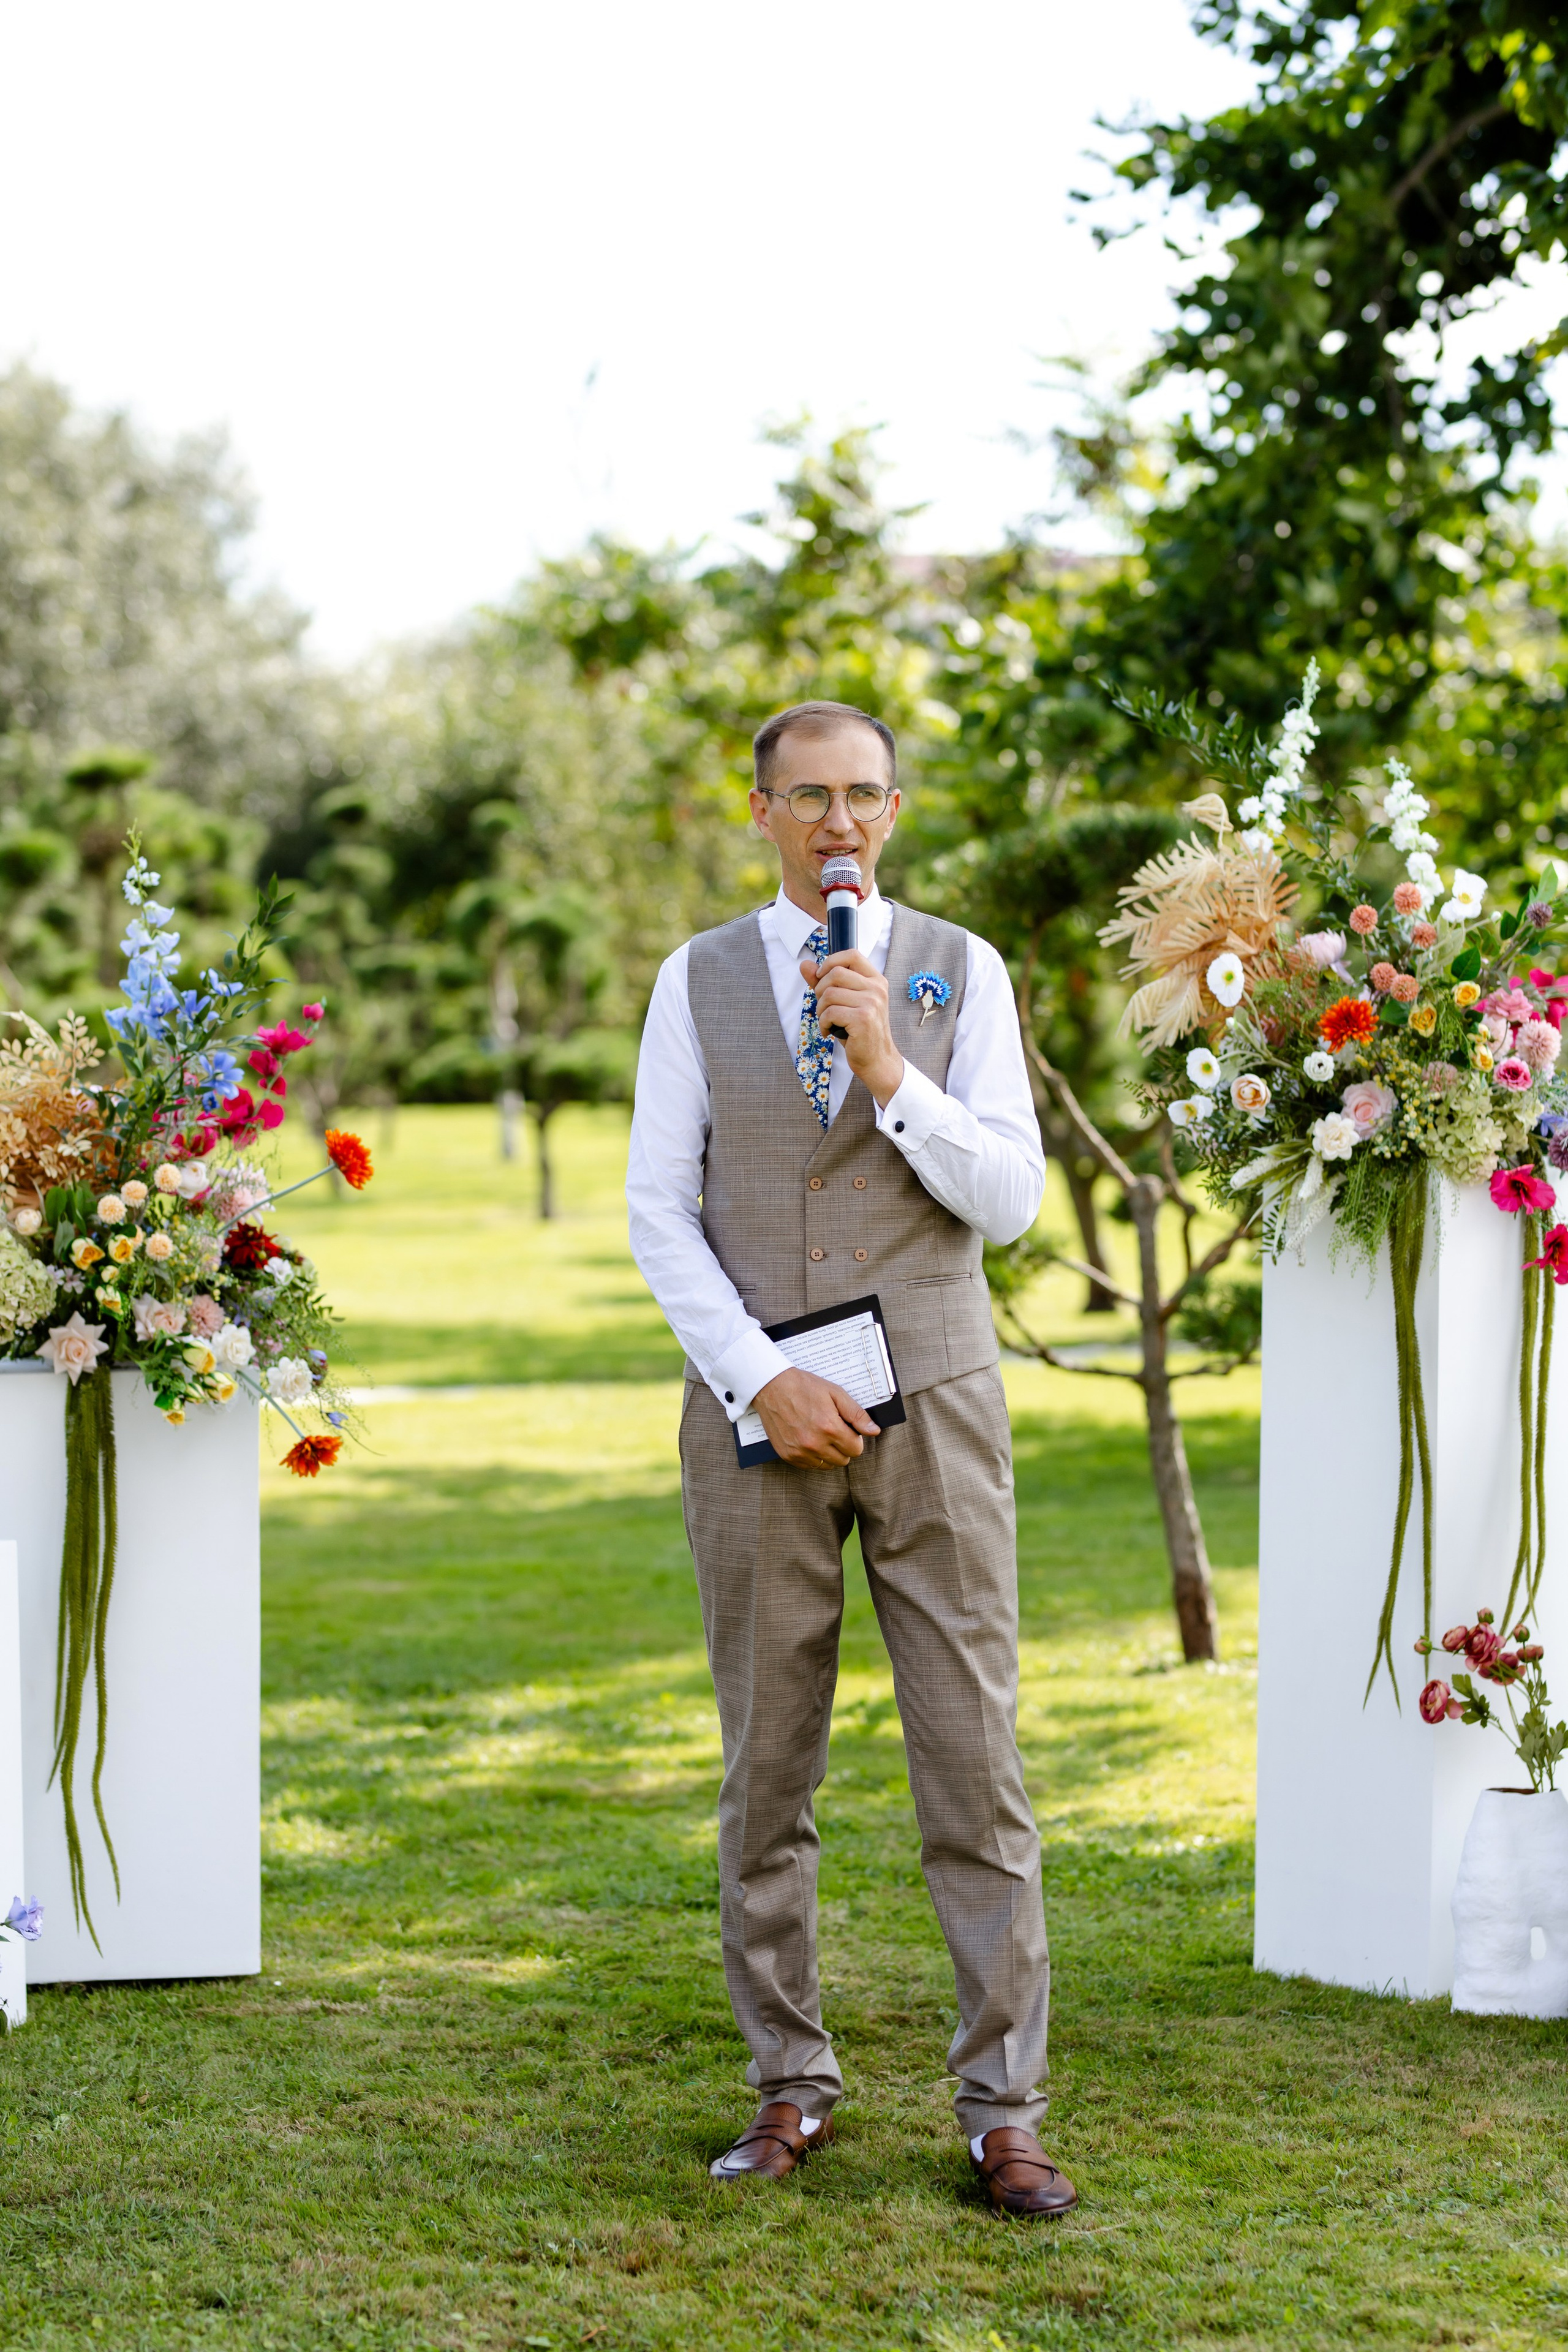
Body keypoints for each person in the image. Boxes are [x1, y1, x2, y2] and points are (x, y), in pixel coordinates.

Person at [627, 699, 1076, 2219]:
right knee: (769, 1762)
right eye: (807, 795)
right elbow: (655, 1212)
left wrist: (890, 1068)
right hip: (760, 1410)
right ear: (756, 808)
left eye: (862, 797)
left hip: (935, 1402)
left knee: (972, 1754)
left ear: (893, 811)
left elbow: (1008, 1199)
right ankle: (787, 2084)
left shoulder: (963, 970)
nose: (836, 822)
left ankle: (1000, 2108)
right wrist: (761, 1378)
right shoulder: (692, 982)